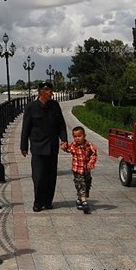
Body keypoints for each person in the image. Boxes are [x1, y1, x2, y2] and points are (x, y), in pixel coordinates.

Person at [20, 81, 68, 212]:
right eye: (49, 91)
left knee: (51, 176)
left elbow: (61, 125)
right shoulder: (31, 107)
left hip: (52, 146)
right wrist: (23, 146)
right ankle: (38, 202)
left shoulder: (55, 105)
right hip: (38, 147)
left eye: (51, 90)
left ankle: (48, 202)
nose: (51, 93)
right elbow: (26, 128)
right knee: (39, 176)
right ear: (41, 92)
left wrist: (64, 140)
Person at [62, 126, 98, 214]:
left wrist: (91, 162)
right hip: (77, 170)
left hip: (86, 170)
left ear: (84, 136)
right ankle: (84, 201)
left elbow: (94, 153)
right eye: (75, 136)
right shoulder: (73, 145)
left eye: (79, 136)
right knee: (80, 184)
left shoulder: (88, 145)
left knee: (87, 184)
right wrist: (63, 146)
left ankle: (79, 199)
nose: (77, 138)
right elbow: (67, 148)